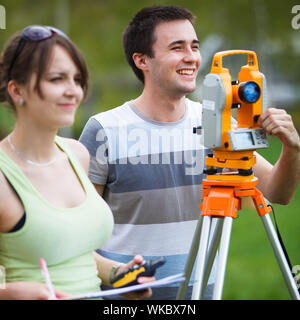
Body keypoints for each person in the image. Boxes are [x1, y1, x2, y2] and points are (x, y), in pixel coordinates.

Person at [79, 5, 300, 300]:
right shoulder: (104, 130)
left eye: (194, 46)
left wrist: (292, 148)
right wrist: (116, 276)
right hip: (125, 299)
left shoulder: (216, 125)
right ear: (142, 60)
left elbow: (277, 192)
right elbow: (77, 235)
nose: (192, 57)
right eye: (177, 47)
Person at [0, 25, 153, 300]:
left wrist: (119, 275)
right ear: (16, 89)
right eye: (57, 79)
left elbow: (73, 251)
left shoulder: (77, 154)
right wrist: (9, 293)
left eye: (77, 79)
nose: (73, 91)